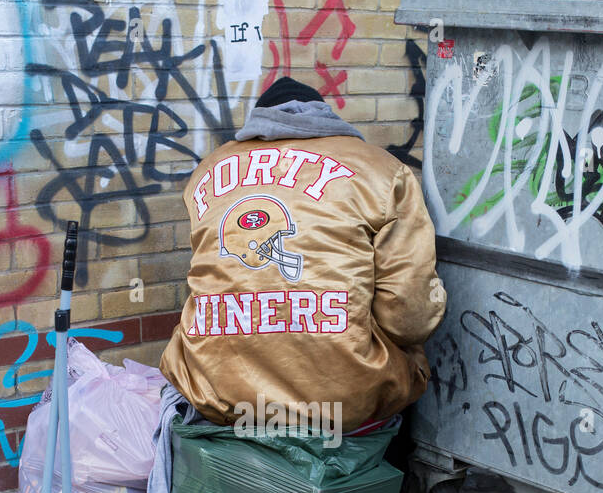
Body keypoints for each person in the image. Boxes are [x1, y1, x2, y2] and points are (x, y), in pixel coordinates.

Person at [159, 76, 445, 437]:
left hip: (216, 392)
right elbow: (409, 317)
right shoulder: (384, 170)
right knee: (411, 356)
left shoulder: (207, 170)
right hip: (345, 401)